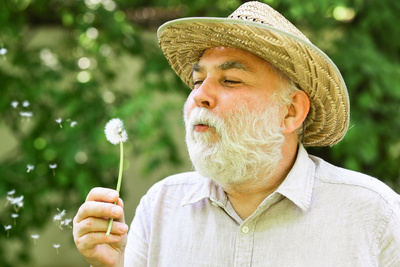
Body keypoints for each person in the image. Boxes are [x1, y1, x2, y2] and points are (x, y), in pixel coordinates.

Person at [73, 2, 400, 266]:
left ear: (290, 112)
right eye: (198, 80)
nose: (200, 95)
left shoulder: (375, 215)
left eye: (230, 80)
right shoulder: (159, 207)